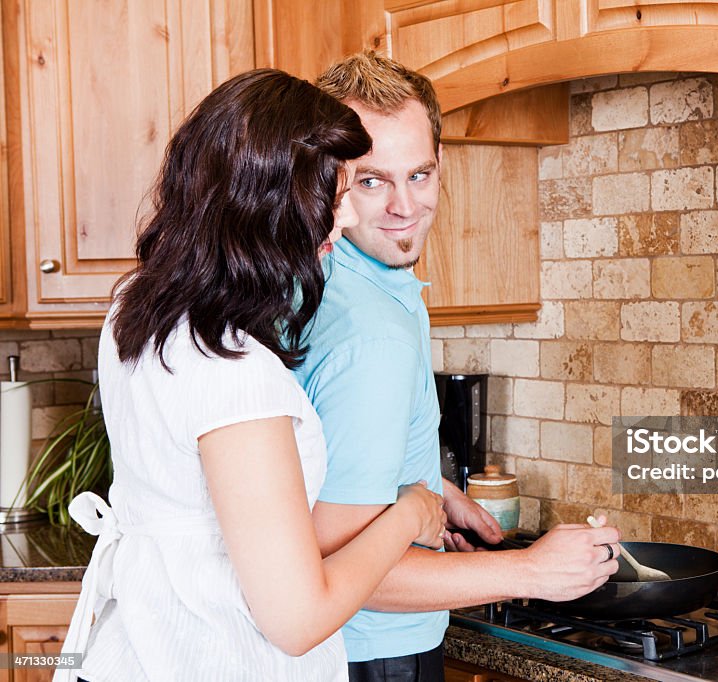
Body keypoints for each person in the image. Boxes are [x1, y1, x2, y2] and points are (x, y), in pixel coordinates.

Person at [59, 68, 447, 682]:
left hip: (136, 650)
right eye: (331, 195)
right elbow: (297, 618)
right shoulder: (235, 372)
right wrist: (411, 514)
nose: (343, 219)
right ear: (266, 205)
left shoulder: (140, 307)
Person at [294, 52, 622, 682]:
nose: (403, 206)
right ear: (327, 181)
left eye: (419, 174)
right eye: (370, 181)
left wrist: (434, 491)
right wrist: (533, 572)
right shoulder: (374, 335)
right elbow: (338, 570)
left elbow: (323, 472)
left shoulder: (349, 279)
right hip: (372, 653)